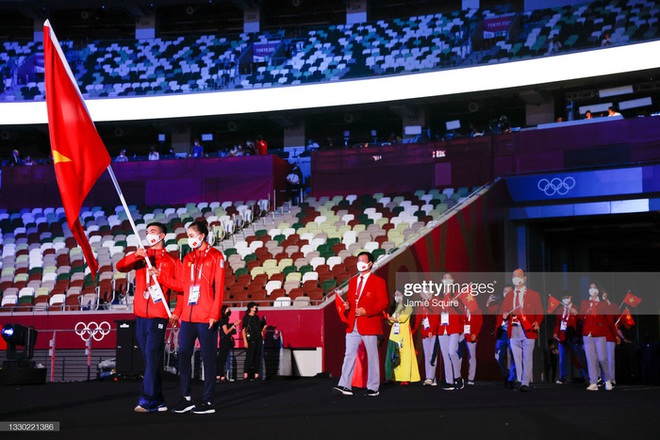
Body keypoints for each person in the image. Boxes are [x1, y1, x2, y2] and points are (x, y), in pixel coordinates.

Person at [154, 219, 226, 414]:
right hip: (188, 318)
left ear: (202, 236)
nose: (189, 239)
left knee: (208, 359)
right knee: (183, 355)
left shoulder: (216, 256)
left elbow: (219, 289)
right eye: (188, 236)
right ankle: (187, 397)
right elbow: (182, 288)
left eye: (192, 236)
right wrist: (160, 277)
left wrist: (214, 314)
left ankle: (208, 400)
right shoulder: (188, 259)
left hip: (206, 317)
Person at [116, 222, 181, 413]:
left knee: (152, 355)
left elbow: (180, 287)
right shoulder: (143, 256)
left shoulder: (172, 261)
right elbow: (120, 267)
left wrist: (177, 312)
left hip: (159, 316)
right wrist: (135, 255)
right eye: (147, 232)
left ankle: (146, 400)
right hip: (141, 316)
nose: (149, 235)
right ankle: (159, 399)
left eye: (152, 232)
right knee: (150, 360)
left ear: (162, 236)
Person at [333, 251, 389, 397]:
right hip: (353, 324)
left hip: (369, 323)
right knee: (349, 354)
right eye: (358, 260)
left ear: (370, 263)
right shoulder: (353, 281)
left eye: (363, 260)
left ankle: (373, 386)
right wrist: (347, 305)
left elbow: (383, 303)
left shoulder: (378, 281)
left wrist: (367, 311)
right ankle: (344, 385)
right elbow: (351, 300)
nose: (360, 263)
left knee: (372, 355)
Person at [501, 268, 543, 392]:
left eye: (519, 275)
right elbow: (504, 310)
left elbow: (539, 312)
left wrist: (537, 322)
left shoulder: (534, 295)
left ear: (524, 278)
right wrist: (504, 314)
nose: (516, 277)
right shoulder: (509, 296)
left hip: (528, 329)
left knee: (527, 357)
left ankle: (526, 382)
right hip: (514, 329)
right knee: (516, 357)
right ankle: (519, 380)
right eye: (514, 275)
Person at [578, 282, 614, 391]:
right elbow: (580, 319)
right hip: (587, 334)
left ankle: (607, 379)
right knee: (590, 359)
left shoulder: (602, 304)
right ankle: (593, 381)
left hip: (600, 334)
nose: (592, 289)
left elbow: (609, 319)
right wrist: (578, 313)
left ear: (598, 290)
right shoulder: (584, 303)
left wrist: (607, 303)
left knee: (602, 358)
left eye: (594, 287)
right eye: (590, 288)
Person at [385, 290, 420, 384]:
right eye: (395, 295)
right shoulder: (396, 307)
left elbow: (402, 319)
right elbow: (392, 321)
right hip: (394, 334)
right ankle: (392, 377)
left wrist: (391, 318)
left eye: (398, 294)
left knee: (403, 355)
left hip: (403, 334)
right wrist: (387, 319)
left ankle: (404, 377)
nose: (397, 297)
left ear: (403, 295)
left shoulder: (408, 307)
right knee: (393, 355)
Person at [437, 272, 464, 390]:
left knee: (452, 352)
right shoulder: (439, 295)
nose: (447, 280)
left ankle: (458, 377)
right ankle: (449, 381)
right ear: (442, 281)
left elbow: (463, 310)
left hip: (454, 327)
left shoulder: (457, 294)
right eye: (445, 278)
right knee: (445, 355)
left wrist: (457, 304)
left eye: (449, 278)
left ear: (453, 280)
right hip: (442, 328)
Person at [489, 285, 516, 388]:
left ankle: (512, 379)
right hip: (502, 335)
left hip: (512, 334)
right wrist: (488, 302)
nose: (507, 294)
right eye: (505, 291)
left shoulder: (516, 304)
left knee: (514, 357)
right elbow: (490, 310)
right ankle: (506, 374)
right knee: (498, 356)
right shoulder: (500, 305)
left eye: (509, 292)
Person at [553, 294, 582, 384]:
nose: (565, 299)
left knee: (578, 356)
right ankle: (563, 377)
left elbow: (581, 321)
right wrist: (555, 332)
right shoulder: (560, 310)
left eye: (567, 297)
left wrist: (576, 313)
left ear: (571, 297)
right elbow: (558, 323)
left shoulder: (576, 308)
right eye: (563, 298)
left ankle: (585, 376)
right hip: (562, 336)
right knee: (562, 358)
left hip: (573, 336)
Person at [415, 288, 440, 386]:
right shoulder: (422, 303)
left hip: (433, 332)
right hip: (424, 332)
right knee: (427, 355)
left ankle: (430, 377)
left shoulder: (435, 300)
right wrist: (413, 330)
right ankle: (430, 377)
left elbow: (435, 315)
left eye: (424, 291)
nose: (422, 293)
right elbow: (418, 318)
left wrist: (431, 330)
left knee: (432, 355)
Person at [460, 300, 483, 385]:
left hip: (471, 335)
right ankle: (457, 377)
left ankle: (471, 378)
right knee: (458, 356)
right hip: (461, 334)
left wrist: (475, 334)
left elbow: (479, 323)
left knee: (471, 357)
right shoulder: (460, 309)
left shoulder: (477, 310)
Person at [242, 302, 266, 381]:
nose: (255, 308)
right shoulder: (246, 317)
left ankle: (256, 374)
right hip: (251, 339)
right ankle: (246, 374)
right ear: (250, 308)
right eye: (254, 307)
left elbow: (260, 328)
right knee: (249, 356)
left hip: (258, 338)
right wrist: (245, 340)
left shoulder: (256, 317)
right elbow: (244, 330)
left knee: (257, 356)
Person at [216, 305, 238, 383]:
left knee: (222, 358)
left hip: (224, 340)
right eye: (228, 309)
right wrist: (234, 325)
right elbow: (226, 332)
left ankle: (220, 375)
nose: (230, 311)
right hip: (224, 340)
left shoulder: (224, 319)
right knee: (222, 358)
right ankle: (220, 375)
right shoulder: (224, 319)